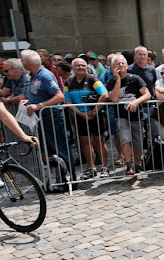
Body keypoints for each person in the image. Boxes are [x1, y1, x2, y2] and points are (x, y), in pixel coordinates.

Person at [20, 49, 75, 181]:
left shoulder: (45, 75)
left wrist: (38, 106)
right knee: (50, 152)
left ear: (27, 63)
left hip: (52, 119)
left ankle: (70, 180)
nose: (21, 63)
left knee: (61, 150)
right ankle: (58, 179)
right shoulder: (34, 75)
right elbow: (42, 94)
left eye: (22, 61)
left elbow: (59, 96)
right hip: (43, 120)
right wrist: (30, 101)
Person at [64, 58, 110, 179]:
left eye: (83, 66)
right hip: (79, 116)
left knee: (99, 141)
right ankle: (92, 168)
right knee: (85, 142)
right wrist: (79, 113)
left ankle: (105, 168)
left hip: (95, 115)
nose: (80, 68)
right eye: (78, 66)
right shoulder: (68, 82)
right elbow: (67, 100)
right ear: (73, 68)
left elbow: (105, 94)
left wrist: (94, 111)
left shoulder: (92, 79)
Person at [107, 54, 152, 177]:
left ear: (127, 66)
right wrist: (117, 80)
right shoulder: (111, 82)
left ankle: (137, 166)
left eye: (122, 63)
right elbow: (114, 98)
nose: (120, 65)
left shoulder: (135, 78)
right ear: (112, 67)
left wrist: (136, 101)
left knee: (138, 143)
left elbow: (147, 95)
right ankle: (129, 166)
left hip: (137, 115)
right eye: (117, 64)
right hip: (121, 116)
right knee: (125, 140)